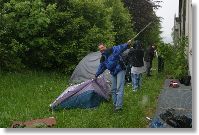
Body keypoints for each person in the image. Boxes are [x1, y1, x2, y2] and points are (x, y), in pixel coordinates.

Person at [95, 41, 132, 112]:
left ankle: (119, 107)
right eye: (100, 49)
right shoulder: (103, 58)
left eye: (102, 47)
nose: (101, 49)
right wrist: (96, 75)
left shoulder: (113, 50)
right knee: (113, 89)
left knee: (119, 88)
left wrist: (127, 44)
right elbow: (101, 68)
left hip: (120, 69)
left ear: (105, 47)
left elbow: (121, 47)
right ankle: (115, 104)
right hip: (113, 72)